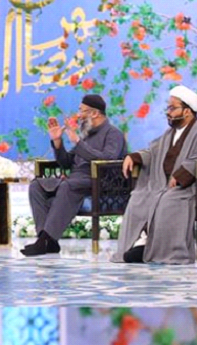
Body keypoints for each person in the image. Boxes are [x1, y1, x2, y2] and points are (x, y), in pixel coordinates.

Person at [113, 85, 197, 264]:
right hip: (162, 184)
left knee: (168, 201)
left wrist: (183, 173)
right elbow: (153, 152)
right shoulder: (170, 133)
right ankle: (139, 244)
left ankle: (165, 252)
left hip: (189, 186)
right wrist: (134, 157)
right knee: (139, 198)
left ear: (187, 111)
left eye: (173, 108)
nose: (168, 112)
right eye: (168, 108)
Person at [23, 95, 126, 256]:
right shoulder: (87, 135)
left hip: (99, 181)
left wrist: (78, 143)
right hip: (77, 180)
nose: (79, 115)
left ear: (94, 113)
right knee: (36, 185)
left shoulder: (113, 134)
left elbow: (108, 159)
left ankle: (45, 240)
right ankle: (46, 240)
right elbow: (66, 163)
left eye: (82, 111)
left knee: (68, 185)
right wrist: (57, 142)